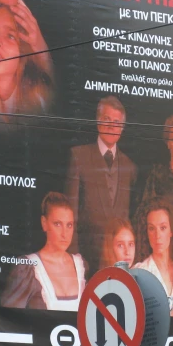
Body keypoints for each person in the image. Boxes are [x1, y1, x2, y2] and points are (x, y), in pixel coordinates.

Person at [65, 96, 137, 274]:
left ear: (122, 128)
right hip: (86, 259)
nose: (112, 126)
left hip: (119, 262)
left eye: (117, 122)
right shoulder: (78, 156)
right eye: (107, 120)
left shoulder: (130, 166)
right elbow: (70, 213)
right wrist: (74, 259)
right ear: (98, 121)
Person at [1, 192, 87, 311]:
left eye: (69, 225)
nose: (64, 233)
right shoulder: (28, 268)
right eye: (57, 224)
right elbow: (8, 319)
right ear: (44, 223)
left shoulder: (81, 266)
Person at [134, 197, 173, 302]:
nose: (157, 235)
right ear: (146, 233)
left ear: (171, 231)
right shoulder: (140, 272)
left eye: (163, 228)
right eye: (152, 228)